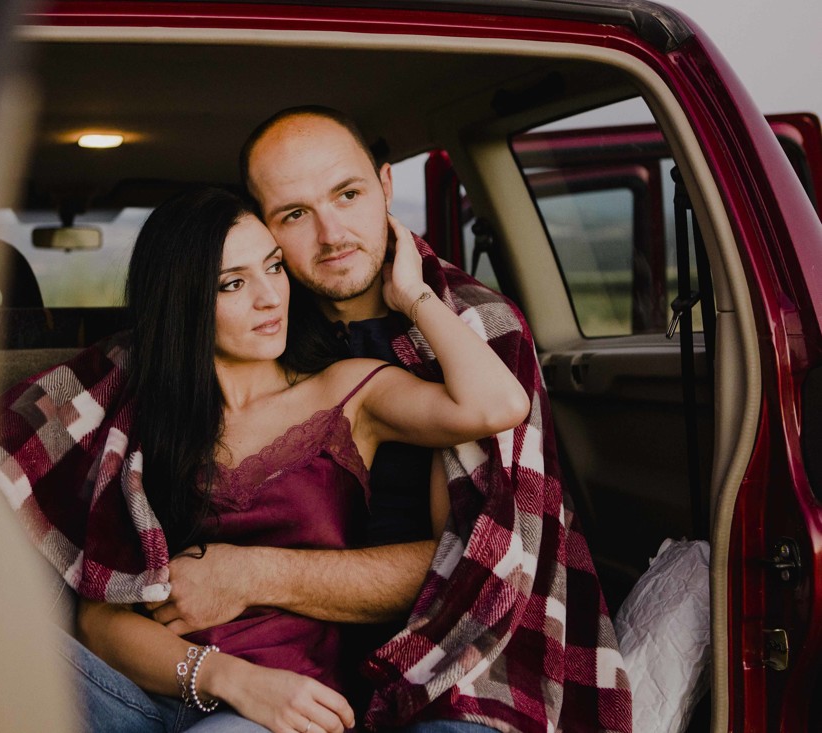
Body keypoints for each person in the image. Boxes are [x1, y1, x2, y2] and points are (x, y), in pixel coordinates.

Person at [143, 107, 633, 733]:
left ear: (385, 185)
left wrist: (249, 573)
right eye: (294, 215)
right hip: (256, 659)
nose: (332, 234)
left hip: (459, 656)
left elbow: (481, 560)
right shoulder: (250, 328)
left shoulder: (471, 330)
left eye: (348, 195)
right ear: (260, 227)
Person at [0, 186, 528, 733]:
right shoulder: (143, 423)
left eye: (274, 267)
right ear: (183, 301)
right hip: (151, 690)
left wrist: (414, 295)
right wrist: (224, 677)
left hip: (281, 703)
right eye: (234, 283)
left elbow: (498, 405)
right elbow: (100, 621)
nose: (270, 297)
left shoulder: (348, 391)